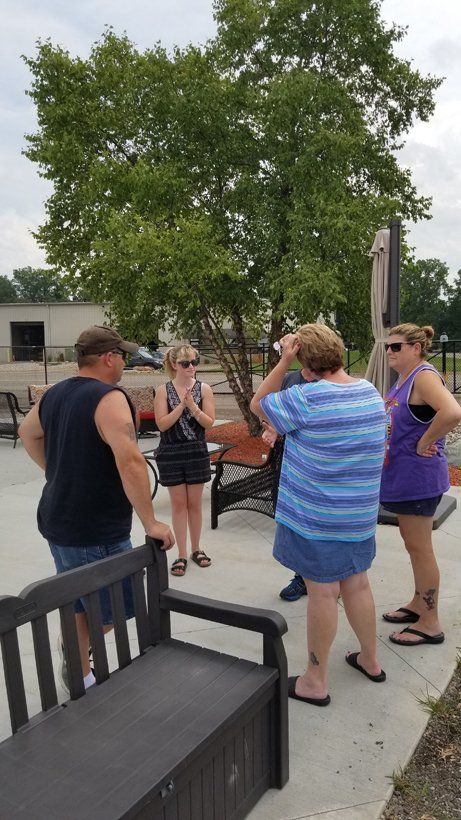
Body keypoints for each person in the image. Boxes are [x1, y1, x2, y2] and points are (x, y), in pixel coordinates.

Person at [19, 325, 175, 691]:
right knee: (110, 611)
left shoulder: (56, 393)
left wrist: (56, 472)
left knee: (79, 598)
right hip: (93, 528)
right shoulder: (110, 397)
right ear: (108, 358)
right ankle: (75, 657)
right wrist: (150, 522)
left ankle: (77, 665)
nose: (124, 363)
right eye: (122, 356)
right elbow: (131, 461)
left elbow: (28, 432)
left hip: (59, 518)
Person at [251, 324, 386, 706]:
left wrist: (283, 361)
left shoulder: (307, 397)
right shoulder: (369, 392)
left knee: (322, 592)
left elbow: (259, 404)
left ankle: (315, 680)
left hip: (317, 519)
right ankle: (370, 659)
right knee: (358, 585)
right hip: (358, 516)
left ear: (305, 364)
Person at [380, 323, 461, 646]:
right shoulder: (404, 378)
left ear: (416, 348)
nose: (389, 351)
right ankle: (418, 603)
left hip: (419, 479)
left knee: (420, 549)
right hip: (404, 478)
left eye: (396, 346)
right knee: (413, 545)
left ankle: (429, 622)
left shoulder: (423, 376)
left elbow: (452, 412)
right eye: (388, 346)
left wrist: (424, 441)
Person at [154, 344, 215, 576]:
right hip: (171, 452)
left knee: (195, 504)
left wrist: (193, 407)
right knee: (179, 504)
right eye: (185, 363)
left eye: (194, 362)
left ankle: (196, 549)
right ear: (174, 365)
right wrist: (181, 406)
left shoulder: (204, 389)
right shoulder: (163, 390)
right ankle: (181, 553)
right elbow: (162, 425)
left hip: (196, 451)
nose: (191, 367)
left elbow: (209, 423)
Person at [262, 365, 315, 602]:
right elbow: (267, 408)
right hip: (287, 459)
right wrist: (272, 429)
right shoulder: (289, 379)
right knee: (293, 520)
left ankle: (316, 577)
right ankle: (302, 576)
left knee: (313, 521)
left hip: (314, 463)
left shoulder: (327, 380)